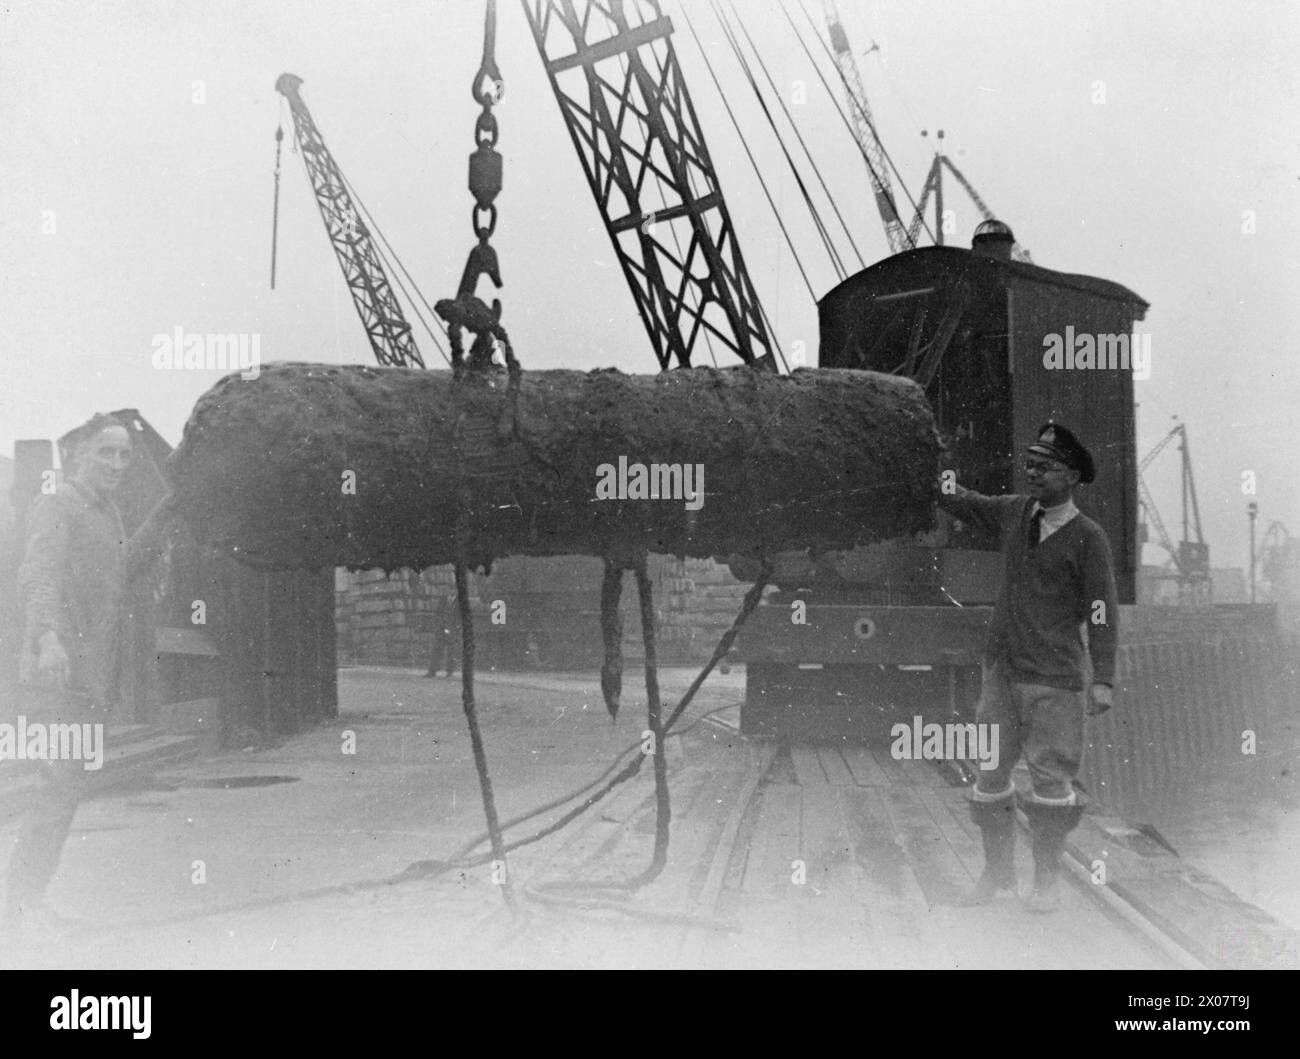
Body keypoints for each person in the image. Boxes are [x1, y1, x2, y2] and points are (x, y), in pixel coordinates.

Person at [938, 423, 1118, 913]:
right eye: (1031, 465)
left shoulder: (1089, 539)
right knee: (989, 774)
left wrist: (1102, 678)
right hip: (1003, 670)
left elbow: (1102, 611)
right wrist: (927, 465)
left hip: (1054, 679)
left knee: (1051, 781)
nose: (1033, 473)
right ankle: (996, 876)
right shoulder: (1016, 512)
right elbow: (963, 500)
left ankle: (1044, 882)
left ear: (1073, 476)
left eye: (1046, 467)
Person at [4, 413, 169, 935]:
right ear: (76, 454)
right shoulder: (56, 504)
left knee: (64, 789)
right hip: (56, 675)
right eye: (106, 452)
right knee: (57, 789)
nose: (118, 464)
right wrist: (49, 638)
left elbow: (123, 569)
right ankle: (17, 909)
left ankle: (22, 904)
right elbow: (39, 574)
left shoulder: (108, 512)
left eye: (124, 455)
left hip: (88, 678)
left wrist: (167, 512)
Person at [425, 590, 461, 678]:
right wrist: (442, 626)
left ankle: (450, 671)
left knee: (451, 651)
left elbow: (460, 616)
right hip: (442, 629)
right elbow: (438, 614)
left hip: (453, 629)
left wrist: (455, 627)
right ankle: (432, 671)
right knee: (437, 650)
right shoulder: (443, 600)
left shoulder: (460, 602)